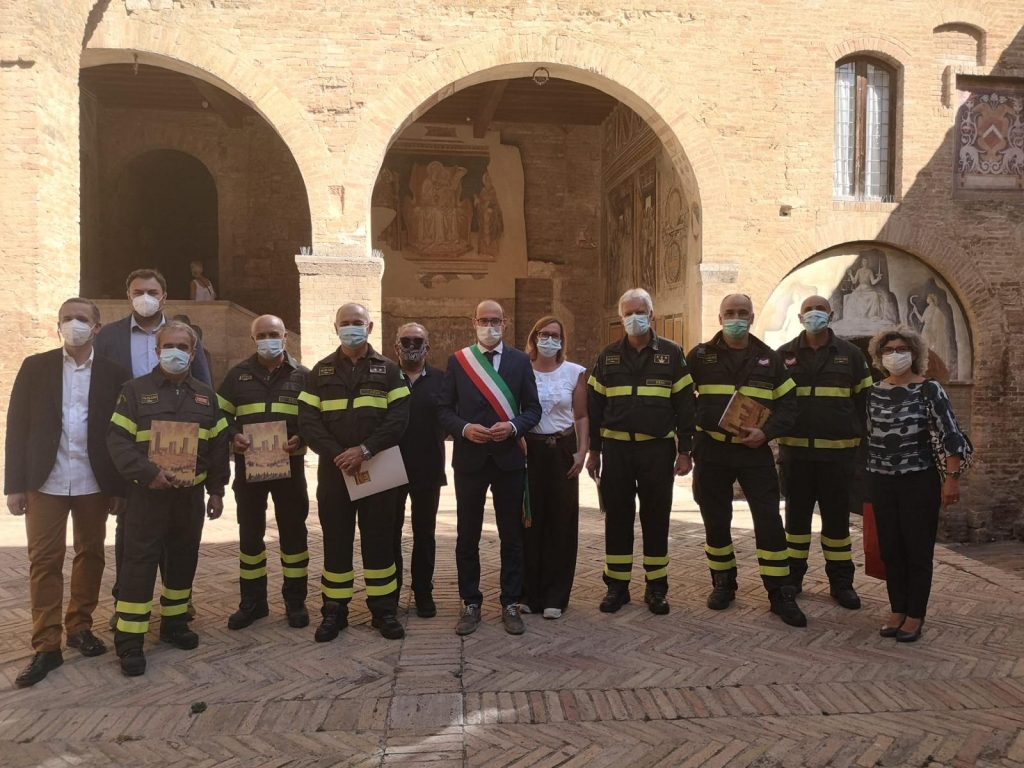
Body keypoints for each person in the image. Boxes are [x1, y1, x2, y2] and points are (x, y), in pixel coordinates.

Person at [4, 298, 130, 687]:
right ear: (58, 325)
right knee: (43, 560)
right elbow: (17, 426)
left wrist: (118, 486)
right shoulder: (35, 367)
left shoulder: (113, 372)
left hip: (94, 480)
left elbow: (119, 432)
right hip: (46, 480)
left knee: (91, 554)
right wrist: (14, 485)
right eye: (67, 318)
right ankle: (46, 645)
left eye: (82, 319)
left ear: (96, 327)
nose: (74, 324)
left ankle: (79, 626)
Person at [106, 321, 229, 676]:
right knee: (138, 564)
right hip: (146, 497)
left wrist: (218, 490)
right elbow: (117, 441)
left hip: (188, 498)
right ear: (157, 351)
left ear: (192, 353)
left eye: (182, 346)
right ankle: (130, 640)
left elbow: (219, 447)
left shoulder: (207, 397)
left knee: (182, 560)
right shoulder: (133, 392)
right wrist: (148, 474)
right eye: (167, 346)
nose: (174, 352)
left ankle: (174, 625)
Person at [95, 268, 213, 620]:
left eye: (151, 291)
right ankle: (126, 601)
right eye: (137, 291)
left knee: (177, 531)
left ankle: (177, 601)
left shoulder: (184, 336)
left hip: (179, 451)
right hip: (131, 448)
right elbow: (101, 394)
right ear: (128, 295)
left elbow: (203, 386)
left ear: (164, 296)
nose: (143, 297)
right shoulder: (111, 337)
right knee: (130, 530)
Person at [687, 294, 806, 627]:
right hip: (712, 450)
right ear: (719, 316)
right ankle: (723, 583)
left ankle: (779, 593)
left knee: (768, 521)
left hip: (755, 451)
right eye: (730, 313)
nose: (736, 318)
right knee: (715, 519)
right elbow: (680, 397)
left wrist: (766, 433)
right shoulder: (699, 356)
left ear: (752, 318)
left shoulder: (770, 359)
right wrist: (698, 425)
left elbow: (789, 405)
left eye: (742, 313)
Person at [298, 303, 410, 642]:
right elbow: (307, 421)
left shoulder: (390, 371)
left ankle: (383, 611)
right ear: (335, 328)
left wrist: (364, 450)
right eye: (345, 323)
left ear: (370, 326)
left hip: (377, 469)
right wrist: (338, 454)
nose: (351, 327)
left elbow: (399, 419)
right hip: (335, 473)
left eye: (357, 322)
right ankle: (334, 611)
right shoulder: (318, 372)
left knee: (379, 542)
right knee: (336, 543)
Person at [436, 300, 542, 636]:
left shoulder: (520, 361)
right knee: (467, 535)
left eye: (496, 320)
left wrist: (513, 427)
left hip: (508, 459)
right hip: (470, 460)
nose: (490, 325)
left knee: (511, 536)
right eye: (484, 320)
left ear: (505, 323)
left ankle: (510, 602)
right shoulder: (458, 361)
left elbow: (533, 410)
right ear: (474, 322)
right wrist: (464, 429)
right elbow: (443, 410)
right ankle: (471, 602)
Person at [586, 289, 694, 616]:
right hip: (617, 451)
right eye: (628, 313)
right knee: (617, 519)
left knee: (656, 518)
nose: (635, 318)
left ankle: (656, 587)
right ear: (621, 318)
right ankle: (616, 588)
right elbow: (594, 406)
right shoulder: (607, 357)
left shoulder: (673, 355)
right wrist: (594, 451)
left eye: (640, 311)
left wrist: (685, 450)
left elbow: (686, 406)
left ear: (652, 315)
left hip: (657, 451)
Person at [866, 326, 971, 643]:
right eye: (888, 350)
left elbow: (950, 434)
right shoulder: (874, 391)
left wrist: (951, 479)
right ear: (879, 356)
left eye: (901, 349)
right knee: (891, 550)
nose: (895, 355)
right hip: (881, 481)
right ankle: (898, 609)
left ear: (914, 354)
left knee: (917, 549)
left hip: (918, 480)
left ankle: (915, 615)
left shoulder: (930, 390)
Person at [775, 295, 873, 609]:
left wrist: (860, 443)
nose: (814, 314)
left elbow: (866, 402)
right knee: (796, 523)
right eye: (808, 310)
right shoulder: (784, 355)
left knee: (837, 525)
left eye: (820, 310)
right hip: (796, 457)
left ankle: (841, 583)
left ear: (830, 314)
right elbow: (773, 402)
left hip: (838, 458)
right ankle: (793, 579)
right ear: (799, 316)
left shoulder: (852, 355)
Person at [218, 315, 311, 631]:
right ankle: (253, 603)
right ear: (252, 338)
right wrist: (233, 437)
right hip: (249, 470)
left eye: (274, 334)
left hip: (290, 468)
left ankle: (295, 602)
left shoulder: (303, 377)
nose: (268, 339)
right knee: (250, 536)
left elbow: (314, 419)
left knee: (294, 534)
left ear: (285, 336)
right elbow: (219, 416)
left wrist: (302, 437)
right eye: (262, 335)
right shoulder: (237, 376)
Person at [524, 316, 588, 619]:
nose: (549, 340)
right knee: (528, 520)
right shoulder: (520, 369)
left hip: (561, 448)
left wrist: (582, 451)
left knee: (561, 522)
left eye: (555, 335)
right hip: (528, 450)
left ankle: (555, 596)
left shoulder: (574, 372)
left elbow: (581, 416)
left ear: (563, 340)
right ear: (534, 337)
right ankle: (528, 593)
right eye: (544, 334)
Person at [391, 323, 447, 619]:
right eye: (406, 340)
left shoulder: (441, 380)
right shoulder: (386, 377)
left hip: (428, 468)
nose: (412, 345)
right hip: (390, 467)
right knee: (390, 533)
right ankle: (392, 591)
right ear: (395, 345)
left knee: (425, 533)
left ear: (428, 345)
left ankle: (423, 592)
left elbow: (452, 417)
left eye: (418, 340)